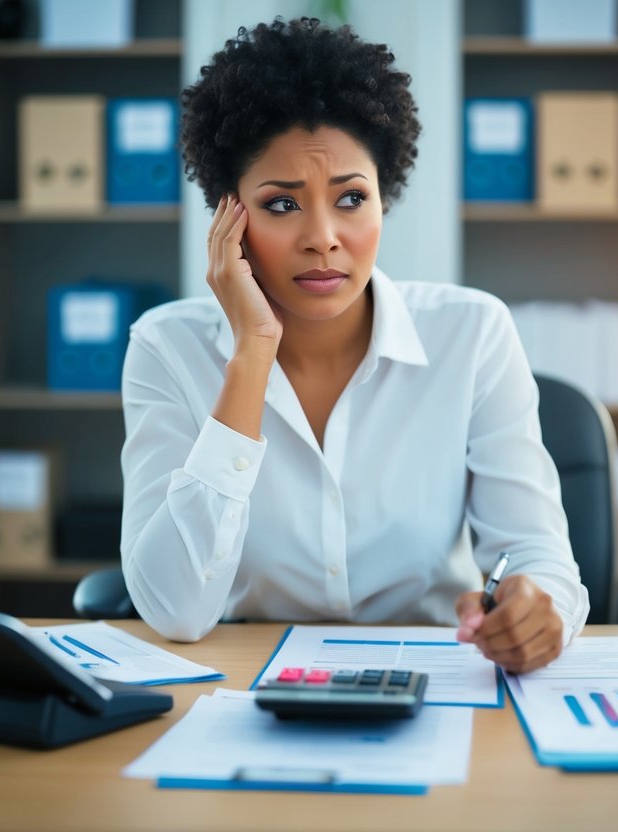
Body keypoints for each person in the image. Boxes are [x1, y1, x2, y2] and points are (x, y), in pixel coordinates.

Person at [119, 18, 588, 673]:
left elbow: (539, 557)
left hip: (434, 676)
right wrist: (252, 352)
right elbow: (173, 609)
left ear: (382, 201)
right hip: (245, 686)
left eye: (350, 198)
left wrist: (540, 609)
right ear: (230, 216)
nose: (323, 237)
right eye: (282, 205)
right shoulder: (165, 349)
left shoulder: (471, 333)